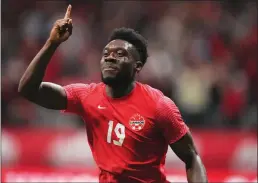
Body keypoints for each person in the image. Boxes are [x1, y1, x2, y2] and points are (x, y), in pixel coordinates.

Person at [18, 5, 208, 183]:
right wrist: (52, 43)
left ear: (137, 66)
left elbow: (192, 157)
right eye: (106, 53)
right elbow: (28, 90)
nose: (110, 57)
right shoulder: (86, 96)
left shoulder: (159, 106)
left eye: (120, 54)